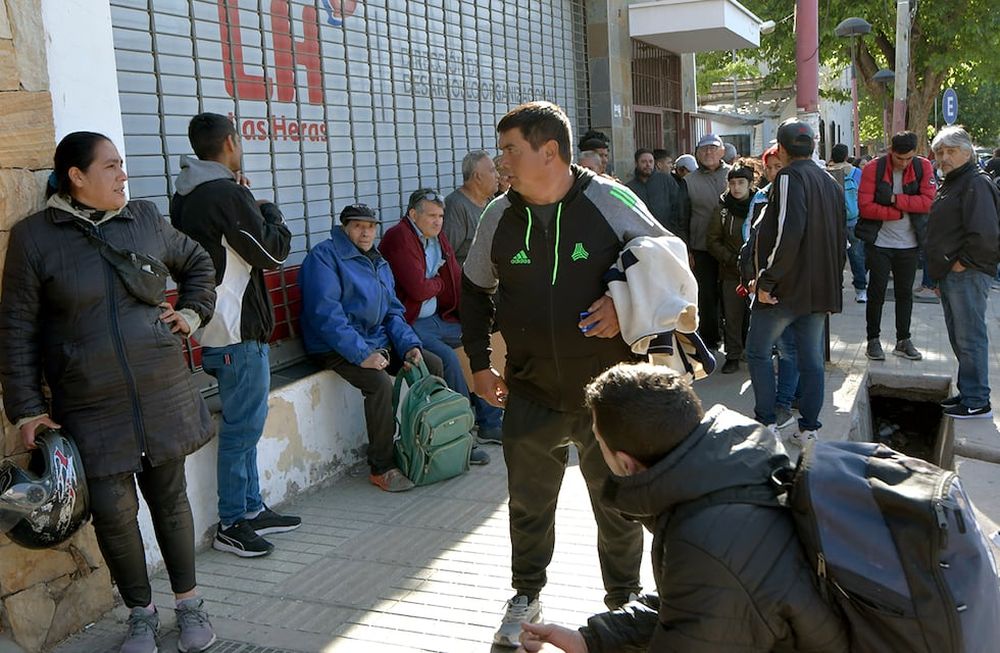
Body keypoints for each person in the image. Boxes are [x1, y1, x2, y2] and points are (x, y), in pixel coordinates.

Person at [0, 132, 219, 653]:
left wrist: (190, 314)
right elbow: (16, 329)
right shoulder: (35, 238)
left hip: (160, 390)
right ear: (76, 176)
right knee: (115, 515)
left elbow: (200, 264)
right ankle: (140, 615)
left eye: (122, 165)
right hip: (90, 404)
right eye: (111, 166)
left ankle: (189, 604)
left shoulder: (143, 219)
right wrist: (28, 409)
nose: (123, 174)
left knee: (170, 502)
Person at [462, 101, 666, 647]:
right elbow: (474, 291)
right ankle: (526, 593)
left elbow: (668, 261)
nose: (500, 160)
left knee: (617, 506)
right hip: (529, 390)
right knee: (528, 505)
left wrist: (624, 304)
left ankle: (623, 602)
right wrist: (481, 365)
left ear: (548, 151)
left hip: (610, 395)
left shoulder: (609, 197)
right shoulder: (498, 215)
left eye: (510, 149)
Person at [514, 362, 849, 653]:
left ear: (626, 464)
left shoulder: (705, 541)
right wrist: (591, 640)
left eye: (599, 443)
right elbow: (692, 606)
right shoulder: (731, 463)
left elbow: (706, 592)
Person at [170, 112, 300, 559]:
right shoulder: (224, 193)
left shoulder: (184, 194)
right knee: (242, 431)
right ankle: (232, 522)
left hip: (215, 325)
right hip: (235, 327)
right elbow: (272, 253)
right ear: (229, 143)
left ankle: (250, 508)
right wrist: (270, 213)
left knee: (245, 426)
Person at [299, 203, 449, 491]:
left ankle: (433, 446)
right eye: (357, 226)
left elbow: (393, 311)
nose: (366, 232)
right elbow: (326, 316)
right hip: (334, 346)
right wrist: (362, 354)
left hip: (375, 341)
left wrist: (409, 345)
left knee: (430, 363)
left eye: (370, 226)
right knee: (379, 385)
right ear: (344, 228)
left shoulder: (377, 260)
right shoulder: (324, 257)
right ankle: (382, 466)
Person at [744, 119, 845, 444]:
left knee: (758, 351)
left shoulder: (789, 177)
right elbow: (841, 238)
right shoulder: (830, 181)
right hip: (818, 288)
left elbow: (789, 231)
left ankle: (767, 422)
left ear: (782, 149)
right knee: (810, 359)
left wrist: (767, 280)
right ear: (813, 146)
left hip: (786, 289)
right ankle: (809, 429)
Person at [380, 187, 500, 451]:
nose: (437, 221)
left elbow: (455, 277)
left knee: (477, 344)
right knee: (448, 359)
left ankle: (491, 422)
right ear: (413, 214)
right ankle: (463, 434)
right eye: (431, 216)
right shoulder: (399, 237)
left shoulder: (436, 238)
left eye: (441, 216)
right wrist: (437, 283)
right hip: (409, 324)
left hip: (437, 317)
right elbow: (418, 289)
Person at [926, 126, 1000, 419]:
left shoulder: (975, 183)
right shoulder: (955, 181)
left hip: (967, 272)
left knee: (970, 337)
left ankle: (977, 400)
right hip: (952, 273)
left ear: (967, 152)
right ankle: (969, 392)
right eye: (940, 152)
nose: (944, 157)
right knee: (960, 336)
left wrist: (961, 263)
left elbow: (985, 233)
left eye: (950, 151)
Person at [857, 131, 935, 362]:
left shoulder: (923, 167)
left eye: (908, 158)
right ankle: (873, 340)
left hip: (909, 244)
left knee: (905, 293)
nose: (903, 163)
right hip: (879, 242)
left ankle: (903, 339)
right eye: (899, 158)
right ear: (891, 151)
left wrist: (893, 199)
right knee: (876, 292)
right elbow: (865, 207)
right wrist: (899, 211)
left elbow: (928, 202)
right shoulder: (874, 168)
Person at [744, 147, 798, 430]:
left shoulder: (796, 196)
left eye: (780, 166)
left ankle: (782, 406)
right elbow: (750, 240)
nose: (775, 172)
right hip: (761, 287)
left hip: (784, 290)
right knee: (763, 351)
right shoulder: (761, 198)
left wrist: (766, 281)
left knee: (786, 350)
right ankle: (770, 412)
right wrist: (751, 276)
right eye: (771, 167)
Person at [681, 134, 731, 350]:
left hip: (732, 246)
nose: (708, 153)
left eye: (713, 148)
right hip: (701, 247)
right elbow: (683, 217)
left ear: (722, 151)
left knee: (732, 295)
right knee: (706, 296)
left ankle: (736, 341)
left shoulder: (735, 174)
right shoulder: (688, 182)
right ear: (697, 154)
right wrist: (687, 249)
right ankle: (710, 340)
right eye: (703, 149)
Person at [707, 165, 756, 374]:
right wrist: (731, 259)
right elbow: (712, 241)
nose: (736, 188)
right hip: (730, 272)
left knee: (755, 316)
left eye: (741, 183)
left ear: (750, 184)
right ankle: (733, 355)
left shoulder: (760, 206)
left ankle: (754, 353)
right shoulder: (722, 209)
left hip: (755, 273)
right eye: (733, 183)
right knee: (733, 316)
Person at [443, 150, 500, 266]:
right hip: (468, 280)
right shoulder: (457, 206)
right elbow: (446, 255)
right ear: (477, 177)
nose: (498, 176)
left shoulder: (491, 201)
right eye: (493, 171)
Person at [827, 143, 867, 303]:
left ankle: (835, 288)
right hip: (853, 220)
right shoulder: (856, 172)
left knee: (834, 257)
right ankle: (861, 290)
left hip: (833, 221)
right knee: (857, 256)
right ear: (846, 155)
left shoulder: (828, 173)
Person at [625, 148, 682, 235]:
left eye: (651, 161)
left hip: (667, 234)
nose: (648, 165)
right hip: (642, 236)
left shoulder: (667, 181)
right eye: (644, 162)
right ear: (636, 163)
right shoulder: (629, 188)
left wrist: (674, 230)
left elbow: (679, 207)